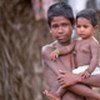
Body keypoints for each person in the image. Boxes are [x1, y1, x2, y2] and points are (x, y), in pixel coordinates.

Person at [42, 2, 100, 100]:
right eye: (55, 26)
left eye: (64, 25)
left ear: (73, 25)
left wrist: (77, 78)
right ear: (50, 28)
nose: (60, 30)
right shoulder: (49, 51)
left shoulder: (83, 47)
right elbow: (65, 80)